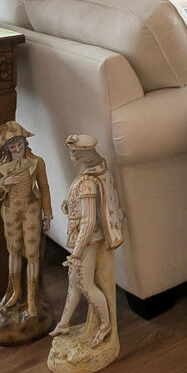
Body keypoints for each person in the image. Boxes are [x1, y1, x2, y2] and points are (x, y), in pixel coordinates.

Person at [51, 134, 125, 348]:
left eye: (74, 153)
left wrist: (76, 252)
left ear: (83, 155)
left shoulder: (88, 184)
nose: (72, 156)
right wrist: (69, 205)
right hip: (80, 237)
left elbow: (89, 221)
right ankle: (64, 323)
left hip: (87, 241)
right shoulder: (87, 176)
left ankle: (105, 325)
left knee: (85, 284)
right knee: (74, 283)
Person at [0, 121, 51, 319]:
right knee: (14, 250)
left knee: (32, 253)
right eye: (12, 146)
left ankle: (31, 298)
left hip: (31, 209)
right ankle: (16, 292)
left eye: (19, 144)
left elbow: (45, 188)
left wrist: (47, 213)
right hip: (10, 211)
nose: (17, 148)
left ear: (24, 143)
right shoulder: (2, 167)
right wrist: (3, 183)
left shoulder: (37, 162)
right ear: (7, 147)